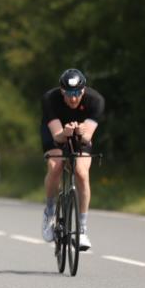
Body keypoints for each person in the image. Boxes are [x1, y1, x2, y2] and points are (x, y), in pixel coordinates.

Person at [40, 68, 104, 251]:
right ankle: (50, 213)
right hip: (56, 132)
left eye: (77, 93)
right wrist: (65, 133)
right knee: (56, 165)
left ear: (83, 91)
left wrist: (81, 133)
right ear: (62, 91)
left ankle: (82, 229)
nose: (73, 98)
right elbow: (57, 137)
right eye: (69, 94)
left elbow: (87, 138)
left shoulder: (96, 101)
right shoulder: (50, 99)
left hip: (81, 134)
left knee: (82, 173)